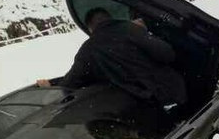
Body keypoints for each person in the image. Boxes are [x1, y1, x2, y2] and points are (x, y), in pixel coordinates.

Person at [36, 7, 186, 114]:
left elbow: (71, 83)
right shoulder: (133, 29)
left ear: (90, 28)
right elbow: (167, 54)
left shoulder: (89, 49)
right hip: (174, 92)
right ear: (109, 18)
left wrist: (49, 86)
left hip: (146, 106)